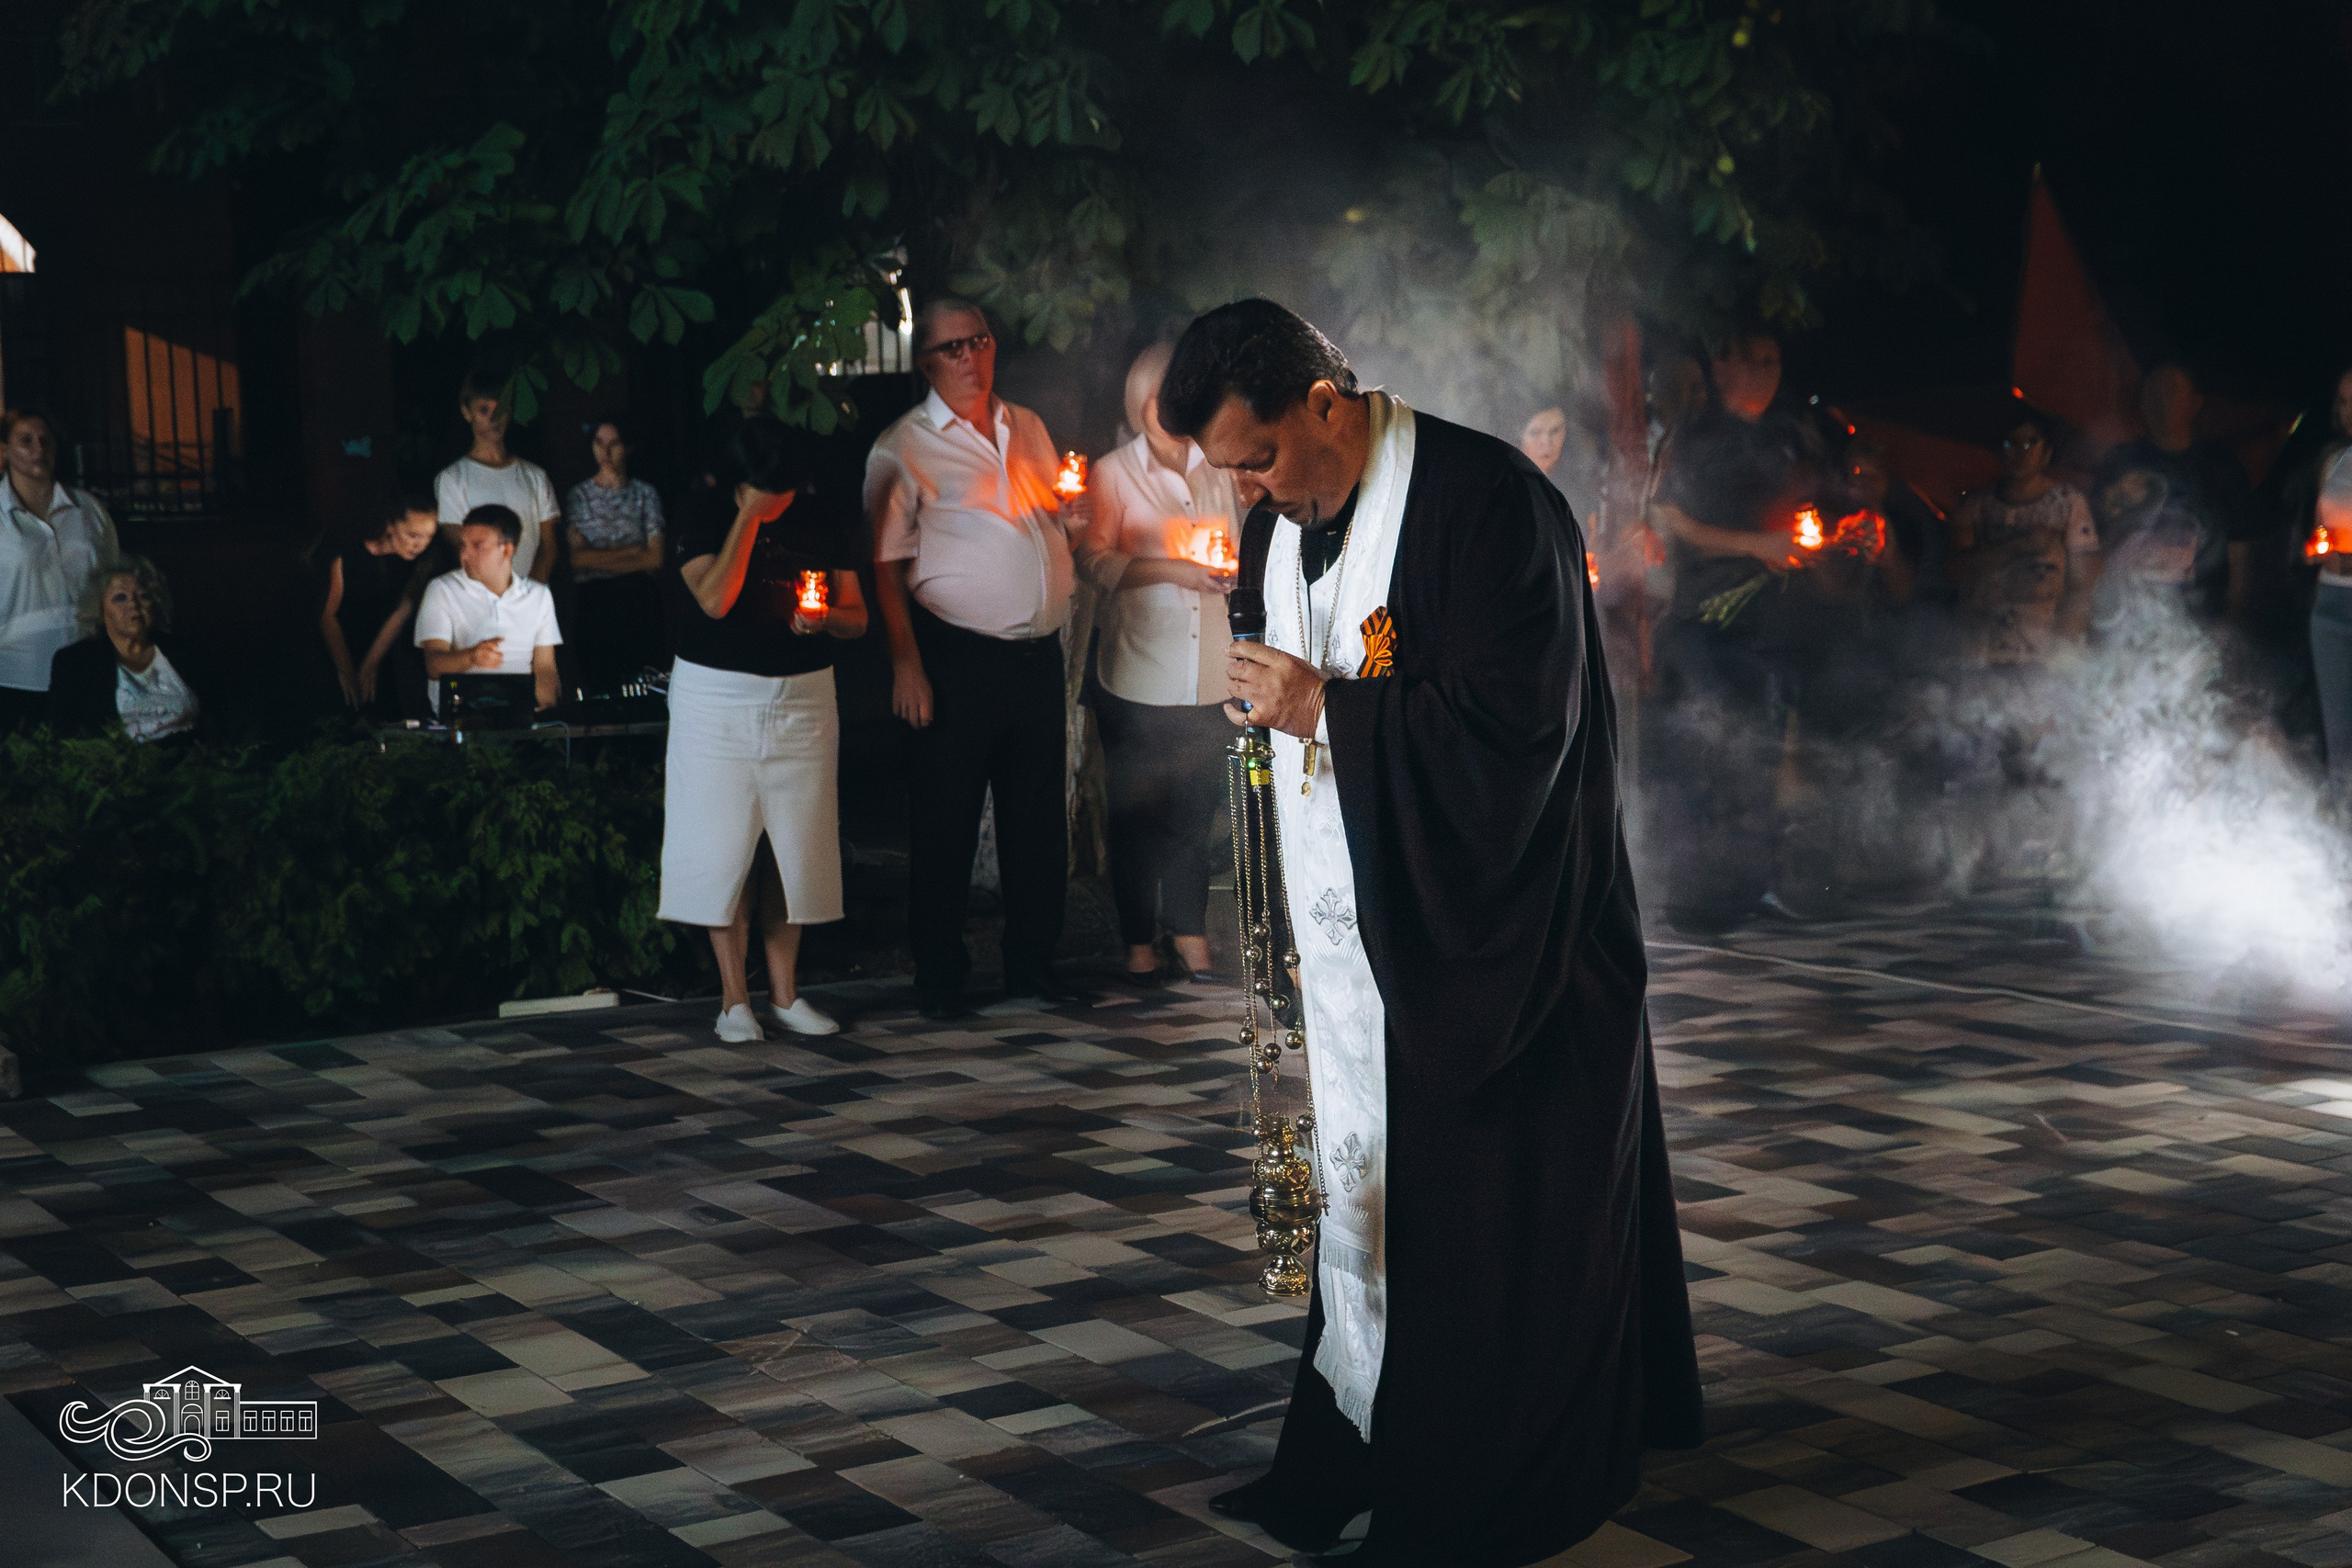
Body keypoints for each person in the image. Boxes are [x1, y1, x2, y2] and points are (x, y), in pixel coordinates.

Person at [1158, 299, 1701, 1568]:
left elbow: (1524, 734)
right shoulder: (1276, 535)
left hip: (1505, 938)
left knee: (1485, 1216)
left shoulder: (1487, 505)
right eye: (1231, 469)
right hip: (1366, 931)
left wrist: (1329, 709)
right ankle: (1370, 1428)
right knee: (1377, 1204)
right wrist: (1283, 715)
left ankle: (1490, 1468)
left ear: (1325, 403)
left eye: (1260, 457)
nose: (1247, 490)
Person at [866, 297, 1080, 1017]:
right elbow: (884, 565)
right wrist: (906, 663)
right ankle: (940, 976)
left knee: (1036, 819)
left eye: (979, 341)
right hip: (951, 655)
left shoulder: (1028, 426)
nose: (969, 357)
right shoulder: (904, 445)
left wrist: (1068, 520)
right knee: (946, 818)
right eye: (952, 348)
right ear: (926, 362)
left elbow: (1047, 512)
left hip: (1034, 655)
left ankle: (1033, 966)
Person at [660, 417, 867, 1043]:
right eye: (769, 490)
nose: (783, 500)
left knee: (794, 849)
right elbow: (716, 599)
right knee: (723, 849)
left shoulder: (819, 514)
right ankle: (733, 1000)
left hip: (803, 698)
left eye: (786, 490)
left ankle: (786, 993)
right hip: (715, 698)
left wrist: (826, 617)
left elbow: (859, 617)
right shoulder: (700, 510)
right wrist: (748, 519)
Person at [1076, 342, 1241, 985]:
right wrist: (1175, 569)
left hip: (1209, 670)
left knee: (1195, 810)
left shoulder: (1219, 465)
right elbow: (1095, 562)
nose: (1167, 411)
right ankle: (1138, 940)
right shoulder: (1115, 472)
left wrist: (1226, 573)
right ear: (1136, 405)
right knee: (1138, 813)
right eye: (1154, 399)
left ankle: (1191, 932)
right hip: (1139, 669)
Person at [1645, 331, 1821, 929]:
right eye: (1755, 359)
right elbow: (1667, 515)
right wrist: (1756, 545)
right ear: (1724, 365)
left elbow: (1803, 511)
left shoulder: (1789, 436)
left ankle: (1752, 886)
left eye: (1775, 360)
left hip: (1768, 623)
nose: (1767, 372)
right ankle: (1693, 897)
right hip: (1702, 620)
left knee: (1758, 755)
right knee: (1703, 749)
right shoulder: (1696, 433)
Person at [2091, 365, 2258, 625]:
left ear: (2195, 404)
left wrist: (2235, 612)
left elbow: (2241, 547)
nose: (2161, 401)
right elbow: (2096, 538)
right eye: (2153, 393)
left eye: (2171, 392)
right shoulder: (2121, 461)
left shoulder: (2220, 466)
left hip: (2201, 608)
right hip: (2130, 608)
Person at [0, 409, 119, 732]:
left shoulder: (88, 510)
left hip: (89, 665)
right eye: (25, 441)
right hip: (18, 674)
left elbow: (113, 577)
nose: (38, 449)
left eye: (45, 441)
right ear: (4, 450)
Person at [1951, 412, 2100, 666]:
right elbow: (1955, 572)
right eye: (2010, 444)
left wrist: (2066, 638)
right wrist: (2016, 546)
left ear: (2046, 452)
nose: (2020, 452)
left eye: (2031, 442)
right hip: (1983, 649)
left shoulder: (2068, 504)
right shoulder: (1975, 506)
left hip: (2043, 647)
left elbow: (2087, 578)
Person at [413, 504, 562, 715]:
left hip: (522, 712)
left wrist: (544, 710)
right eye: (463, 545)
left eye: (477, 546)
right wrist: (472, 657)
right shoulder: (443, 589)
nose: (465, 554)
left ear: (507, 550)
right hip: (463, 714)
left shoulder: (538, 595)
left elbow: (545, 666)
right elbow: (434, 665)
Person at [48, 556, 206, 741]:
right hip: (119, 765)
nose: (133, 604)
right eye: (120, 598)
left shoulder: (184, 650)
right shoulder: (75, 662)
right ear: (99, 609)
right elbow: (64, 732)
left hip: (192, 762)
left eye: (144, 596)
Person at [565, 416, 668, 691]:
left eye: (614, 444)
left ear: (628, 447)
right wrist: (633, 550)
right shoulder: (579, 496)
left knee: (644, 688)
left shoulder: (645, 494)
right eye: (599, 443)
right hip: (595, 603)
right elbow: (577, 560)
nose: (605, 452)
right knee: (600, 687)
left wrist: (597, 554)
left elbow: (655, 558)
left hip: (639, 601)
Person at [320, 491, 441, 717]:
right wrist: (346, 670)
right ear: (390, 525)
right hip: (338, 634)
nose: (420, 544)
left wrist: (370, 664)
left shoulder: (425, 559)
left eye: (428, 537)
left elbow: (402, 611)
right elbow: (328, 613)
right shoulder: (348, 547)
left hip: (382, 638)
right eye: (413, 535)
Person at [435, 377, 560, 584]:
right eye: (484, 410)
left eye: (500, 409)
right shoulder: (452, 479)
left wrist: (530, 592)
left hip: (530, 595)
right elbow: (458, 546)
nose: (494, 418)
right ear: (468, 412)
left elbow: (549, 545)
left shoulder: (535, 476)